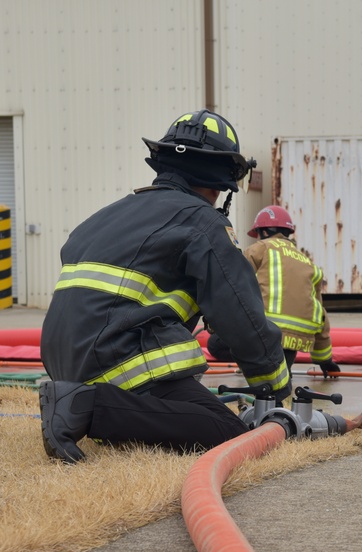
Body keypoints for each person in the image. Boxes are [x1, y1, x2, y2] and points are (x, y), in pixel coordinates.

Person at [38, 109, 291, 463]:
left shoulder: (106, 215)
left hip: (63, 359)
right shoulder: (202, 222)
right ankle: (86, 406)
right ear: (221, 180)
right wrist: (276, 390)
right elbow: (242, 316)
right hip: (118, 361)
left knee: (175, 417)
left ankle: (85, 402)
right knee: (228, 433)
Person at [206, 205, 340, 377]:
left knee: (215, 345)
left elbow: (232, 283)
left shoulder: (260, 248)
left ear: (263, 232)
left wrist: (216, 321)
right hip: (294, 341)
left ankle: (255, 367)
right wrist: (325, 361)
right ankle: (279, 373)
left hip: (264, 333)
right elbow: (320, 314)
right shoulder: (308, 263)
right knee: (280, 375)